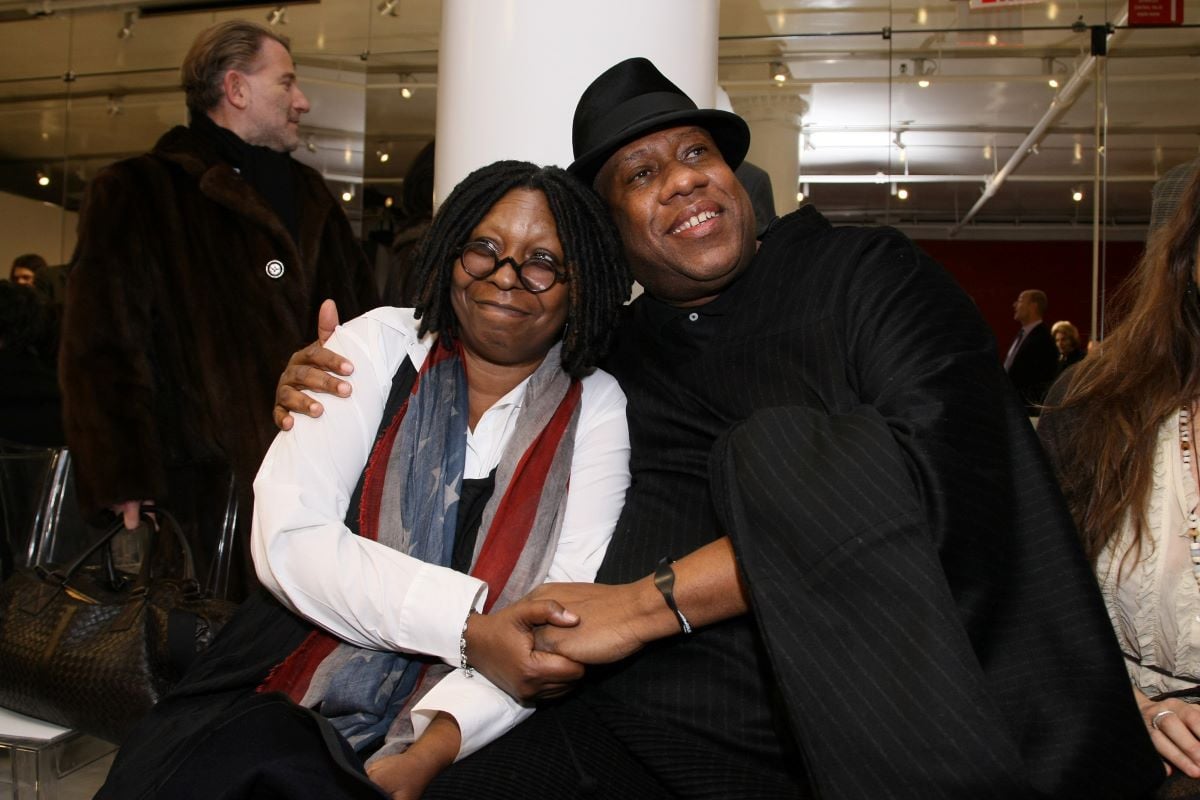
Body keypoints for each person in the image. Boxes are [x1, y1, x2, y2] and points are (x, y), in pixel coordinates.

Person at [278, 58, 1162, 798]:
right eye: (641, 175)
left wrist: (644, 605)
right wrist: (345, 380)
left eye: (696, 152)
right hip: (633, 735)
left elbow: (939, 478)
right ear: (611, 241)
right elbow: (492, 397)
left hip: (901, 731)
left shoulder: (867, 276)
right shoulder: (616, 354)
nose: (685, 179)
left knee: (778, 449)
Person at [94, 160, 632, 800]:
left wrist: (426, 753)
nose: (506, 278)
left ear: (581, 287)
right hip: (296, 651)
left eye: (542, 261)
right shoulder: (375, 344)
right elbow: (291, 540)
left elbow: (558, 609)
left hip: (484, 710)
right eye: (483, 249)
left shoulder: (597, 405)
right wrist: (468, 628)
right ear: (449, 253)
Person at [58, 20, 378, 598]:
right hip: (202, 498)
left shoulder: (311, 195)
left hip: (318, 483)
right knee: (197, 655)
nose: (301, 101)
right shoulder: (139, 191)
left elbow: (361, 320)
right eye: (287, 83)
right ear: (236, 89)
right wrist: (122, 475)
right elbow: (102, 343)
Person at [1039, 169, 1200, 796]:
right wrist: (1136, 706)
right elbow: (1030, 596)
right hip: (1117, 738)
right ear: (1188, 262)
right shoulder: (1094, 409)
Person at [1004, 288, 1059, 415]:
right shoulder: (1023, 335)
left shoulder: (1043, 340)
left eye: (1020, 301)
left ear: (1033, 306)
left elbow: (1042, 382)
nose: (1015, 305)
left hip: (1025, 412)